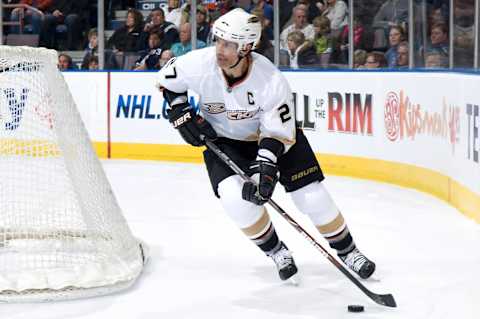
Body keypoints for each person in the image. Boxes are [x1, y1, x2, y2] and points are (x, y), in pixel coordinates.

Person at [155, 8, 376, 282]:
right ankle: (277, 251)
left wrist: (265, 168)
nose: (220, 50)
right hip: (225, 140)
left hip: (273, 140)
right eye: (218, 41)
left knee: (311, 195)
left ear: (246, 47)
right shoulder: (198, 64)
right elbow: (167, 82)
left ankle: (348, 252)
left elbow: (276, 132)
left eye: (229, 44)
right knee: (236, 199)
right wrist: (178, 110)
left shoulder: (270, 80)